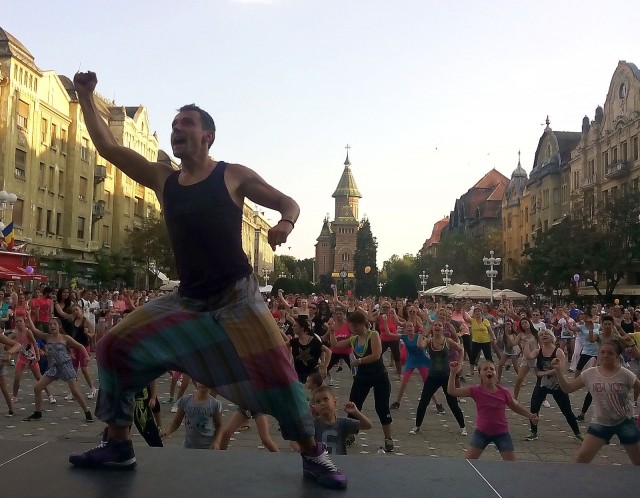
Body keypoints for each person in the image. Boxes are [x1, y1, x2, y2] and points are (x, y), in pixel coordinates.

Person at [68, 71, 346, 490]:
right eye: (174, 125)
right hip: (188, 300)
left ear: (208, 136)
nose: (177, 130)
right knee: (112, 346)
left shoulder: (231, 175)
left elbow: (287, 201)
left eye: (187, 124)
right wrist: (86, 96)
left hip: (237, 297)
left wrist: (285, 224)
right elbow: (108, 147)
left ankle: (312, 455)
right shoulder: (163, 179)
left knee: (279, 375)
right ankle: (119, 445)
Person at [552, 341, 640, 465]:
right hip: (601, 422)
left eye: (610, 353)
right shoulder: (590, 373)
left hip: (625, 421)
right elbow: (567, 388)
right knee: (581, 460)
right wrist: (558, 371)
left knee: (637, 462)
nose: (605, 355)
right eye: (602, 352)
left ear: (617, 356)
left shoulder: (625, 374)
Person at [329, 309, 394, 452]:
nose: (353, 329)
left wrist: (359, 361)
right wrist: (332, 332)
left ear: (362, 324)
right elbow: (336, 346)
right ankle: (350, 435)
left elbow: (376, 355)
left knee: (382, 407)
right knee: (353, 405)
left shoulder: (373, 335)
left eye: (355, 326)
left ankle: (388, 438)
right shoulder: (354, 339)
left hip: (379, 376)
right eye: (351, 327)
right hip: (362, 377)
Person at [448, 360, 538, 460]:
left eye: (492, 369)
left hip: (501, 433)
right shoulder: (475, 390)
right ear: (479, 375)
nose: (489, 371)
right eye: (485, 369)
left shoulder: (504, 392)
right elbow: (452, 391)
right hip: (482, 433)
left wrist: (530, 416)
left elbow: (514, 406)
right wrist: (453, 372)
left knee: (511, 465)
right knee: (468, 462)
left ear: (496, 374)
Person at [22, 317, 93, 423]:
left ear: (59, 326)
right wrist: (28, 316)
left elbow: (80, 346)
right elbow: (35, 330)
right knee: (37, 388)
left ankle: (87, 412)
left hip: (66, 366)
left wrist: (86, 356)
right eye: (50, 324)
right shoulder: (47, 337)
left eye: (54, 324)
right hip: (54, 367)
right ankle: (37, 413)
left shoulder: (65, 338)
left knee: (75, 391)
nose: (52, 326)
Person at [311, 385, 373, 455]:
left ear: (335, 403)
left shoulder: (343, 423)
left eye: (325, 399)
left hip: (340, 461)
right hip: (320, 461)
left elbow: (368, 425)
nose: (322, 403)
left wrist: (356, 412)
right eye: (318, 401)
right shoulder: (312, 424)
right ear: (314, 406)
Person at [161, 382, 222, 449]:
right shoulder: (185, 400)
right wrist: (168, 431)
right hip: (188, 446)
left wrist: (217, 442)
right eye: (200, 380)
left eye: (206, 381)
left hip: (208, 447)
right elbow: (177, 422)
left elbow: (219, 425)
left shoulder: (215, 404)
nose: (202, 383)